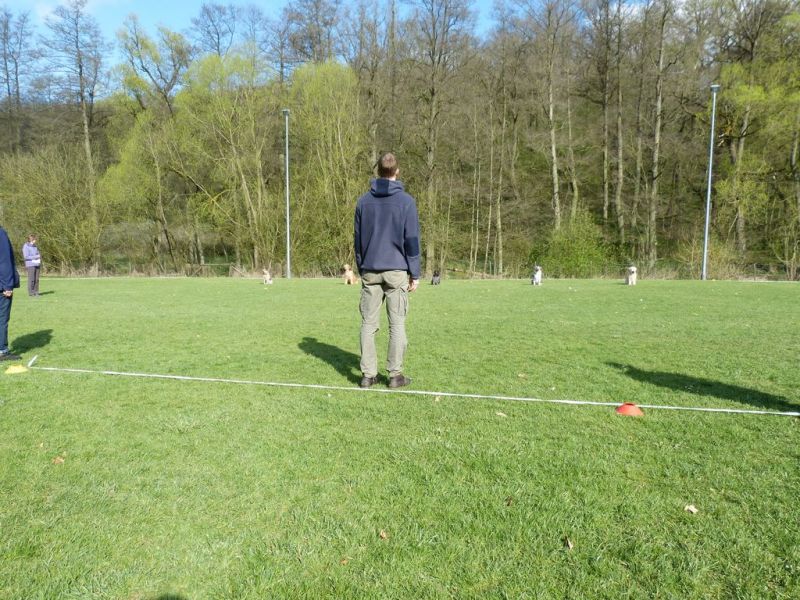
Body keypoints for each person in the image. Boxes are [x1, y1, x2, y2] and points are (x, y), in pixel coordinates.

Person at [354, 152, 420, 389]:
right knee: (397, 324)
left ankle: (368, 375)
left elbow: (358, 241)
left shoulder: (363, 202)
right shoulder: (406, 202)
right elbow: (411, 240)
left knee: (368, 324)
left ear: (378, 171)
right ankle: (395, 375)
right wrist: (415, 273)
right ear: (397, 172)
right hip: (396, 269)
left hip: (370, 268)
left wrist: (362, 266)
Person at [0, 225, 21, 360]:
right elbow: (4, 261)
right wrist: (8, 286)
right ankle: (2, 350)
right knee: (2, 318)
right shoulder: (0, 234)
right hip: (1, 286)